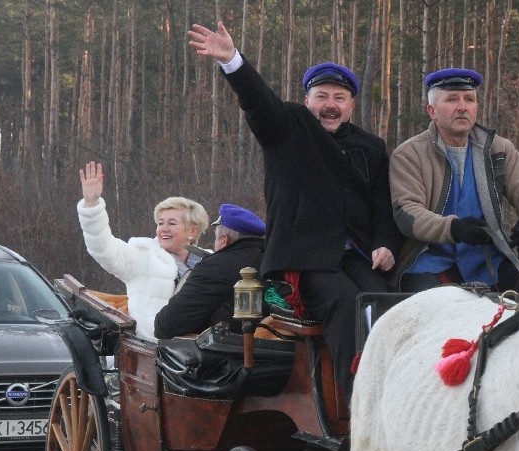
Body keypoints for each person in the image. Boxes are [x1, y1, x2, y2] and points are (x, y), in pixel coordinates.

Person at [188, 21, 401, 403]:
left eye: (340, 97)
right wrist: (233, 62)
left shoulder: (370, 146)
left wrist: (385, 242)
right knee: (344, 304)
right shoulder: (287, 129)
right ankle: (358, 403)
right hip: (306, 259)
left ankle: (398, 389)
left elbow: (382, 204)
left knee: (381, 300)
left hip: (358, 253)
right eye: (322, 96)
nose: (330, 105)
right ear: (307, 101)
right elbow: (259, 103)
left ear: (351, 105)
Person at [390, 67, 519, 293]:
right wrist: (455, 228)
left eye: (469, 99)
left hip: (489, 264)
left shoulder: (499, 149)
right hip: (430, 265)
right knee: (436, 316)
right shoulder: (409, 154)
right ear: (432, 111)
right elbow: (407, 213)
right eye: (452, 99)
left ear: (476, 108)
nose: (462, 107)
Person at [77, 161, 209, 340]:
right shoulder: (143, 255)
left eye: (172, 223)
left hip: (199, 352)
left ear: (193, 231)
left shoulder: (209, 262)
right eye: (160, 223)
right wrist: (91, 206)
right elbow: (103, 248)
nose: (164, 229)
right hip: (152, 351)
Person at [154, 203, 266, 339]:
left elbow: (166, 326)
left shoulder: (215, 268)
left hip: (227, 355)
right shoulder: (272, 263)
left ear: (224, 240)